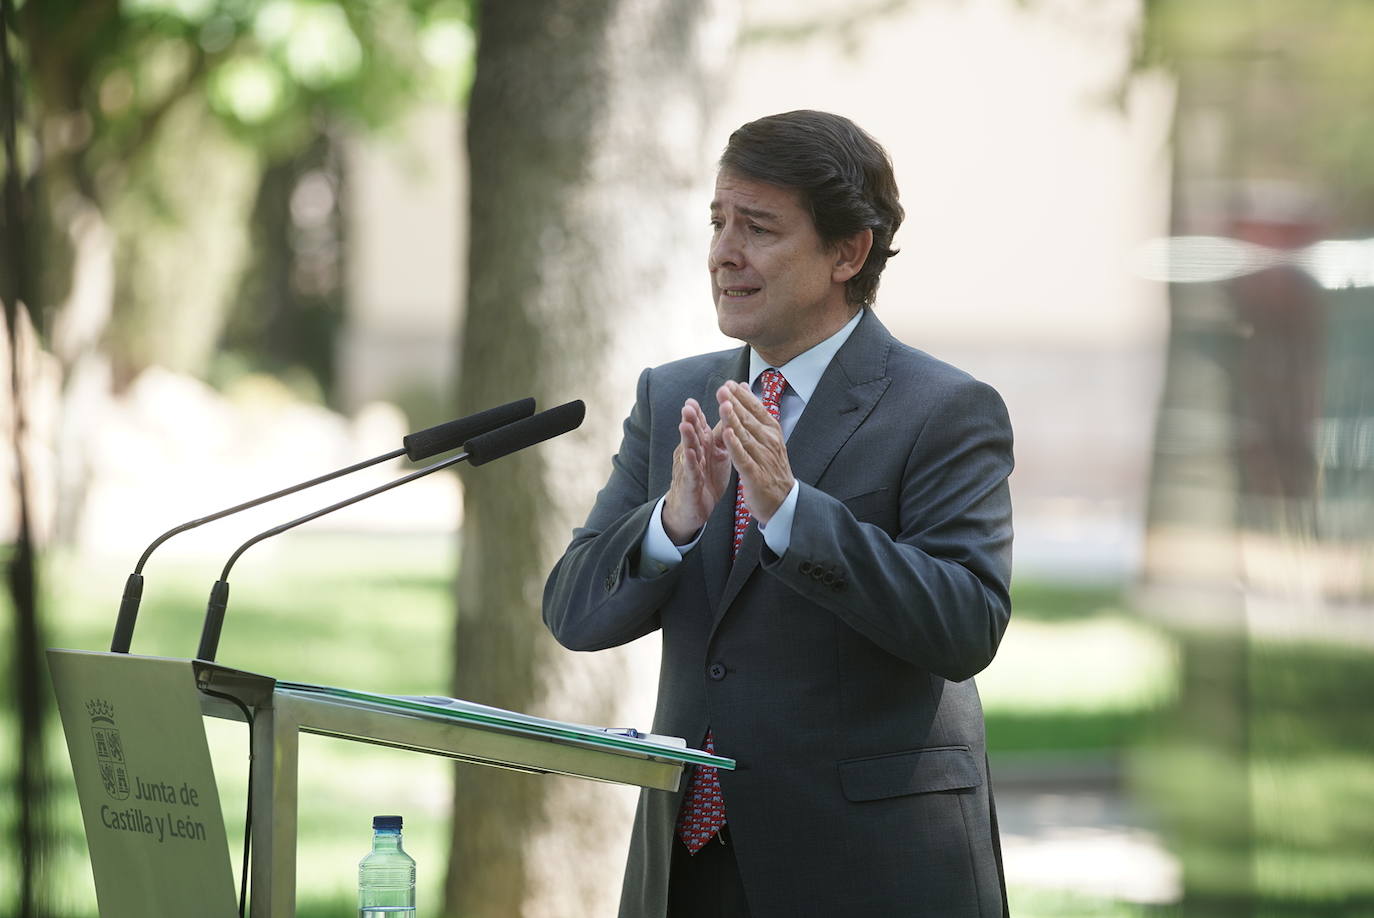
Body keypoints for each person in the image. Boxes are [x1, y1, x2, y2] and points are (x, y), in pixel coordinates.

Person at [543, 110, 1014, 918]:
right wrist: (672, 525)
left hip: (870, 869)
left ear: (847, 252)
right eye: (719, 221)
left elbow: (966, 626)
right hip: (688, 870)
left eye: (758, 227)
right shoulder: (673, 396)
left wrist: (794, 515)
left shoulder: (945, 410)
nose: (725, 252)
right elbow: (573, 612)